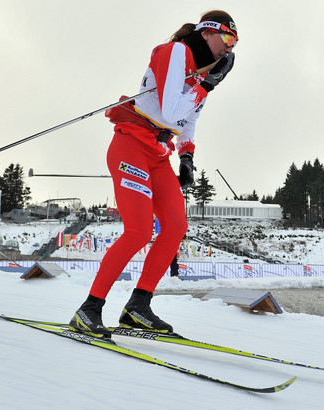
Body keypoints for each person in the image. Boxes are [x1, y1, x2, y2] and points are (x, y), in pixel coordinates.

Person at [69, 10, 237, 338]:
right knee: (139, 230)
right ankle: (89, 309)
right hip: (131, 145)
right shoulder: (176, 52)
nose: (230, 48)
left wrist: (187, 157)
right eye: (228, 39)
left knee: (175, 226)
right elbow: (173, 108)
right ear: (208, 33)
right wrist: (206, 84)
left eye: (235, 43)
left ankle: (137, 307)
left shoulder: (202, 70)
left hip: (159, 154)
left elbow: (188, 119)